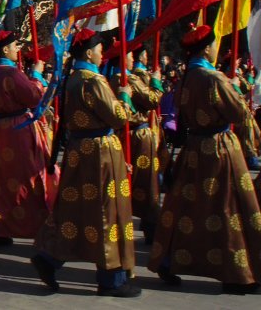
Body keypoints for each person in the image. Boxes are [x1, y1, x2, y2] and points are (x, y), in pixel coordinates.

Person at [148, 25, 261, 294]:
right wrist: (236, 88)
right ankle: (235, 272)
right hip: (219, 148)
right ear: (208, 48)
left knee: (184, 206)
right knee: (228, 206)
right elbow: (238, 114)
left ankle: (167, 258)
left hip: (194, 148)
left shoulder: (187, 76)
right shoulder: (214, 78)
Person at [31, 28, 139, 297]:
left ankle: (49, 258)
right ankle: (111, 279)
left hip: (79, 151)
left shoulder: (72, 79)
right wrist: (125, 96)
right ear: (89, 52)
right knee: (106, 212)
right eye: (100, 50)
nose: (103, 55)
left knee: (75, 211)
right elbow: (118, 117)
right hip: (101, 153)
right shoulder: (93, 81)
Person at [0, 31, 55, 245]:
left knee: (1, 181)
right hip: (17, 131)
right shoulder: (10, 72)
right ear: (4, 49)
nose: (18, 49)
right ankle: (23, 225)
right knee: (26, 179)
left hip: (3, 130)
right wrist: (36, 75)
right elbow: (34, 97)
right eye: (15, 45)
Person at [108, 44, 163, 245]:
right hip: (138, 136)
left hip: (122, 135)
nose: (133, 60)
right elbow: (153, 100)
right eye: (130, 56)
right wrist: (156, 81)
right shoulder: (127, 78)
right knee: (147, 183)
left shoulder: (110, 78)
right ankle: (151, 226)